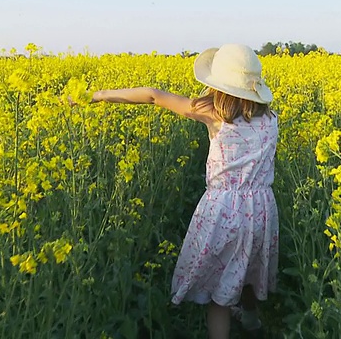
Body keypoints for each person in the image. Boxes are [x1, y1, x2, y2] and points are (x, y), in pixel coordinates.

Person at [83, 44, 279, 339]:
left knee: (218, 292)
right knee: (250, 266)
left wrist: (99, 95)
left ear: (221, 85)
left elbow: (152, 95)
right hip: (261, 208)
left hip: (225, 210)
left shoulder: (214, 114)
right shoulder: (271, 119)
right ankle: (252, 322)